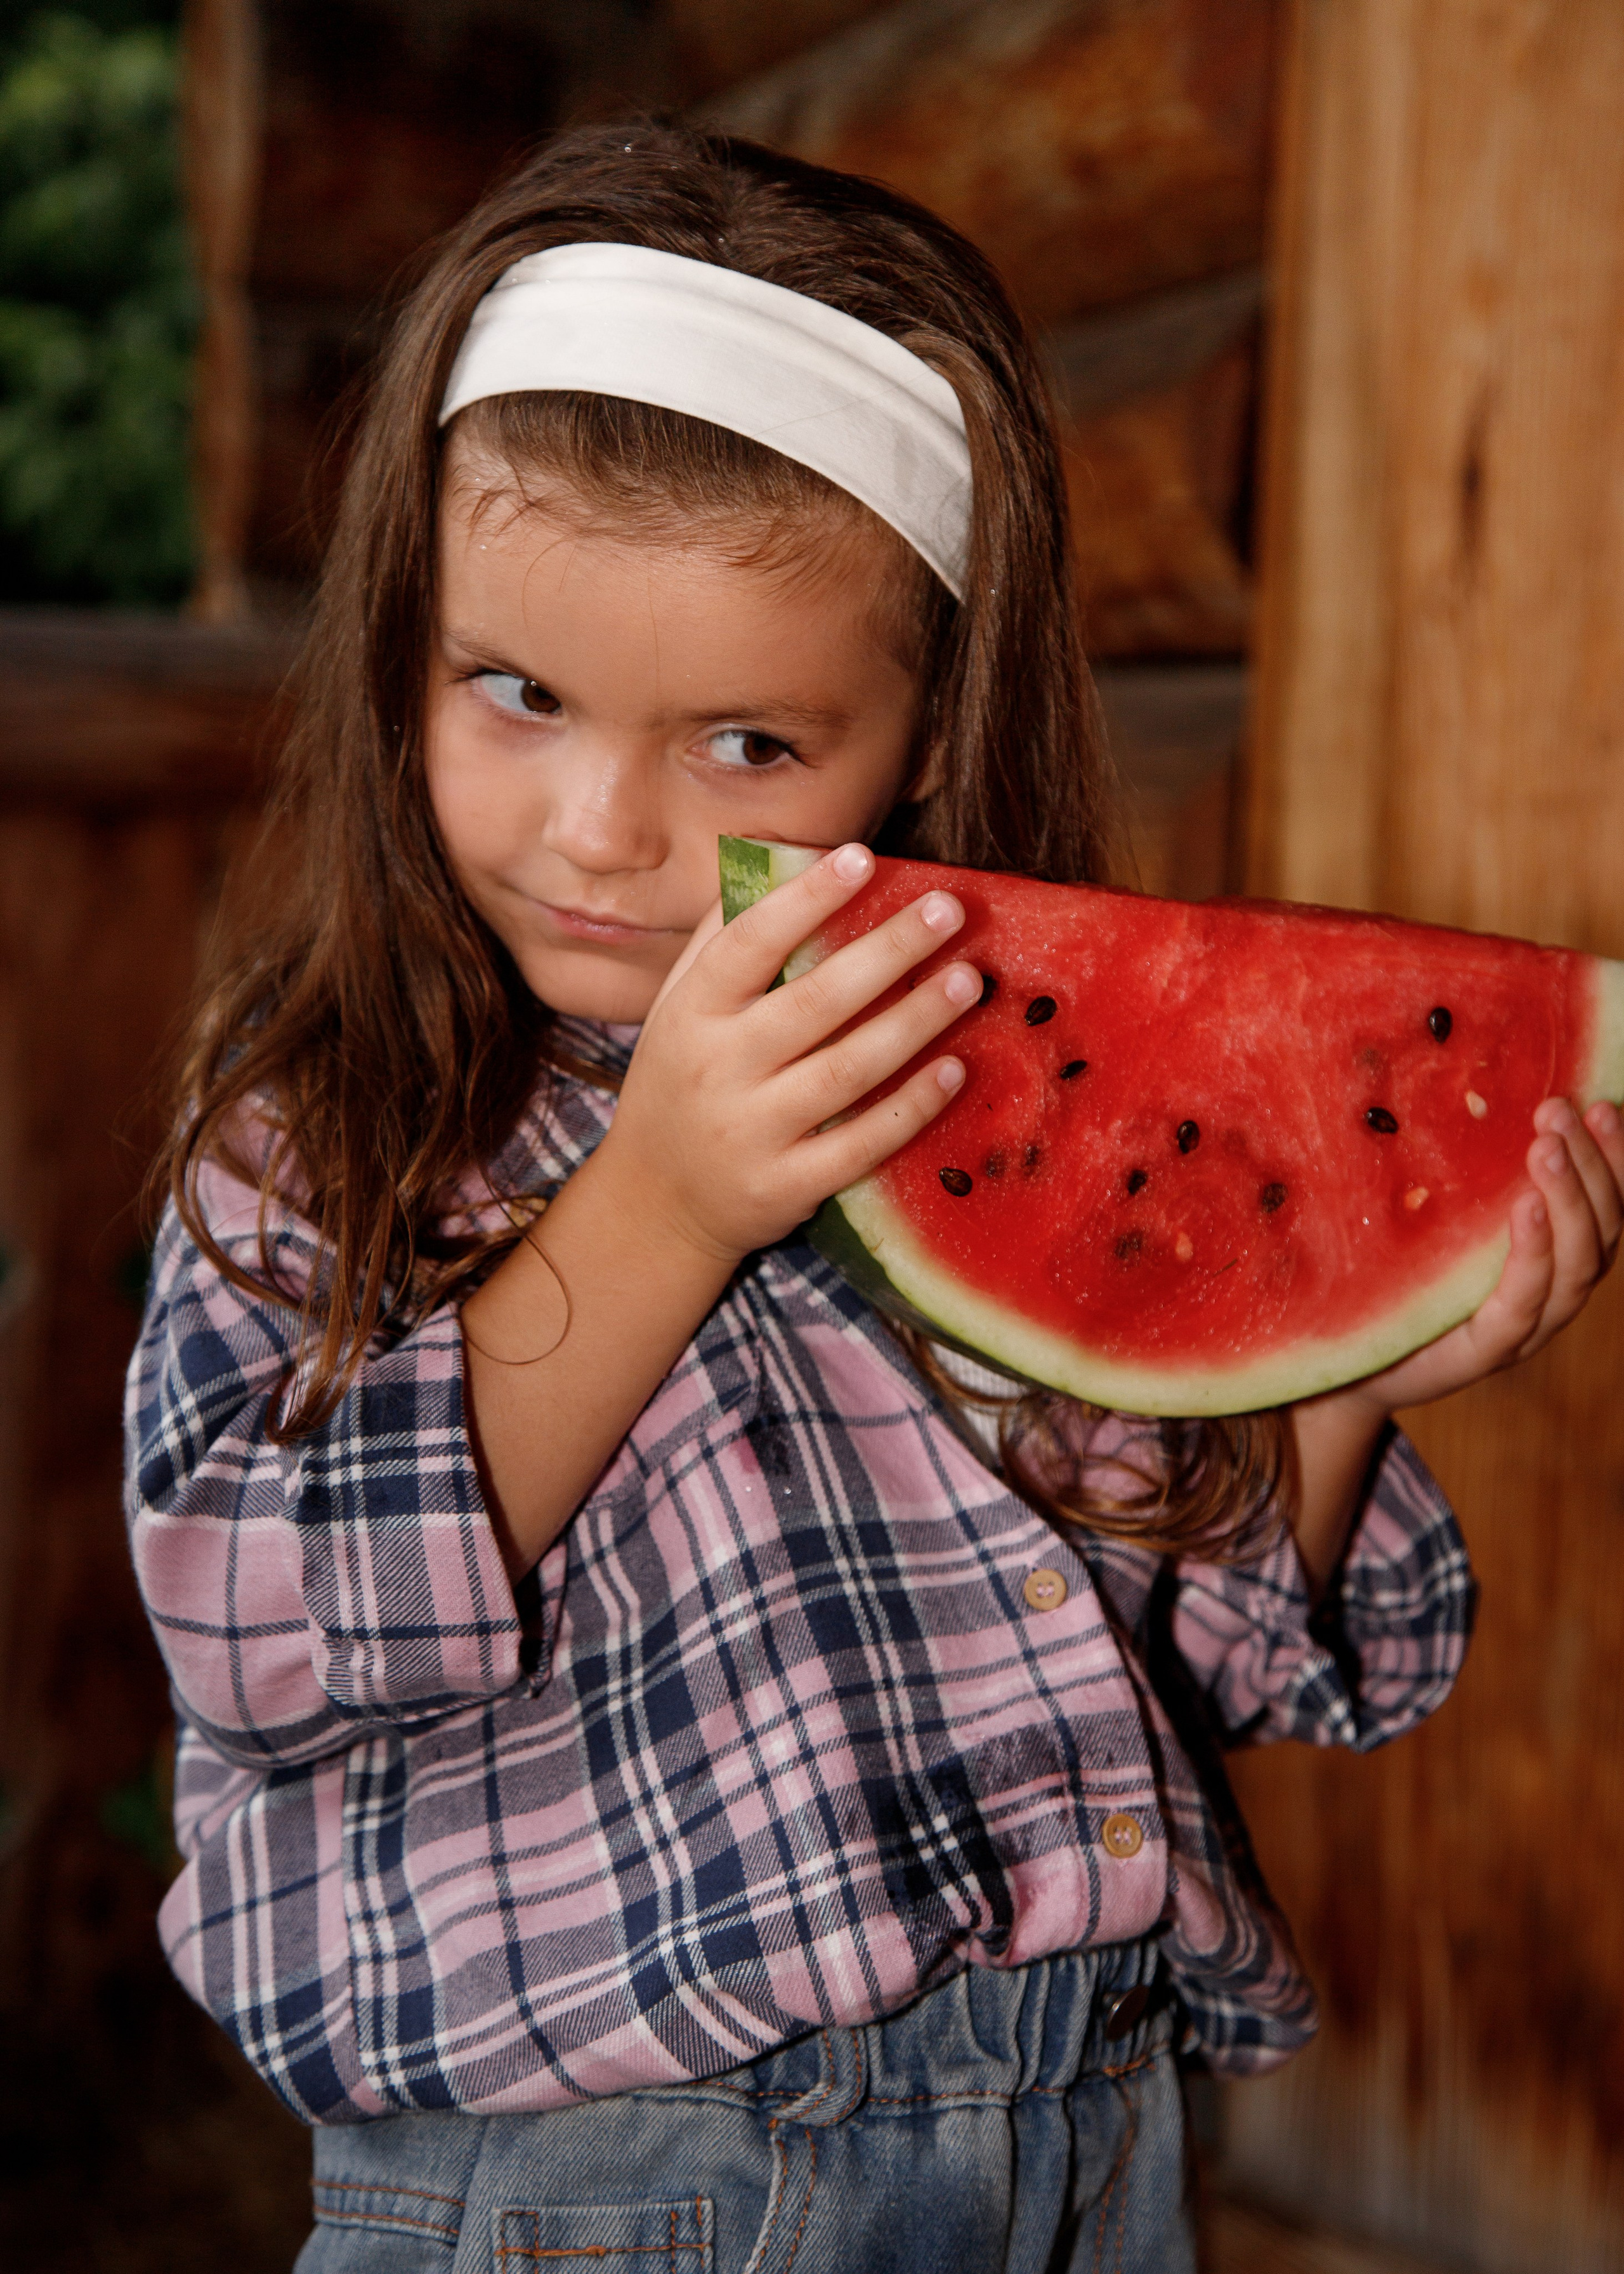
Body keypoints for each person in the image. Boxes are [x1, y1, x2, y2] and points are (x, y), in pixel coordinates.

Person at [125, 122, 1623, 2274]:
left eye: (745, 743)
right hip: (615, 2190)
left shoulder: (982, 1089)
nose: (602, 827)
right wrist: (660, 1207)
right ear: (402, 643)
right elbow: (255, 1626)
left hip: (1092, 2139)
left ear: (922, 732)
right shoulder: (318, 1136)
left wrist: (1350, 1367)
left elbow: (1199, 1647)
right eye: (517, 694)